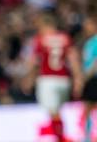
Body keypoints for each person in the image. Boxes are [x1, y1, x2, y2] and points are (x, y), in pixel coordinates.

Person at [26, 12, 83, 141]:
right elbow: (73, 59)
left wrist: (28, 78)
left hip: (47, 80)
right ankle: (59, 136)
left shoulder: (41, 39)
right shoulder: (65, 38)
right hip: (64, 80)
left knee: (53, 112)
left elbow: (34, 62)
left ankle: (60, 138)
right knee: (58, 112)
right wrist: (78, 79)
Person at [81, 13, 97, 141]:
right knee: (87, 108)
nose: (86, 27)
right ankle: (87, 136)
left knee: (89, 107)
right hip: (90, 79)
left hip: (94, 78)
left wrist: (87, 75)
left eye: (88, 24)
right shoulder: (89, 42)